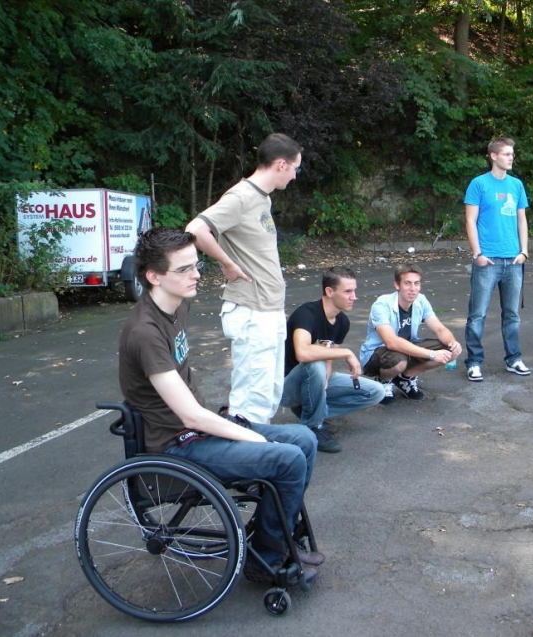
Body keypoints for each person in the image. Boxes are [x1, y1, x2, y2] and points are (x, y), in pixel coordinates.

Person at [118, 228, 323, 584]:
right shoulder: (145, 332)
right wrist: (252, 437)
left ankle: (273, 535)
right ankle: (266, 559)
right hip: (176, 445)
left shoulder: (176, 304)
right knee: (287, 457)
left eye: (196, 265)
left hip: (195, 431)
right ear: (153, 276)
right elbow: (190, 415)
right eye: (184, 269)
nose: (196, 274)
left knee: (305, 439)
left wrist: (232, 267)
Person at [185, 133, 302, 424]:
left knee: (268, 391)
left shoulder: (262, 199)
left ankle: (256, 441)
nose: (295, 176)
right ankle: (246, 443)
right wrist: (226, 263)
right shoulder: (241, 197)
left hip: (268, 309)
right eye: (295, 168)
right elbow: (196, 230)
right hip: (252, 311)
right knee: (252, 397)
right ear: (281, 165)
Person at [281, 266, 385, 453]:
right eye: (348, 291)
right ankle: (312, 427)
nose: (354, 297)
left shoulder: (342, 322)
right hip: (286, 387)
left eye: (354, 291)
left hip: (314, 381)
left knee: (376, 392)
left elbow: (328, 358)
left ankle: (312, 412)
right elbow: (302, 352)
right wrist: (346, 353)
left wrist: (323, 386)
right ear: (329, 291)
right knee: (314, 363)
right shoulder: (306, 313)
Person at [463, 137, 531, 382]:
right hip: (488, 260)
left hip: (513, 261)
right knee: (477, 314)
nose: (511, 157)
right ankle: (474, 362)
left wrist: (524, 252)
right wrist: (478, 254)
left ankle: (513, 359)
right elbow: (470, 220)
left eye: (512, 154)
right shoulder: (479, 184)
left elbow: (521, 220)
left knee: (512, 314)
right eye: (506, 154)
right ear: (493, 156)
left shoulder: (516, 185)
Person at [360, 264, 462, 402]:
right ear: (397, 285)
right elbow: (391, 342)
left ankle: (406, 378)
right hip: (377, 355)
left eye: (416, 283)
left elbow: (440, 329)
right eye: (407, 283)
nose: (413, 289)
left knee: (449, 350)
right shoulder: (382, 305)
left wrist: (452, 342)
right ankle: (384, 381)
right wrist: (432, 354)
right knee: (398, 360)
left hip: (406, 350)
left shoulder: (421, 300)